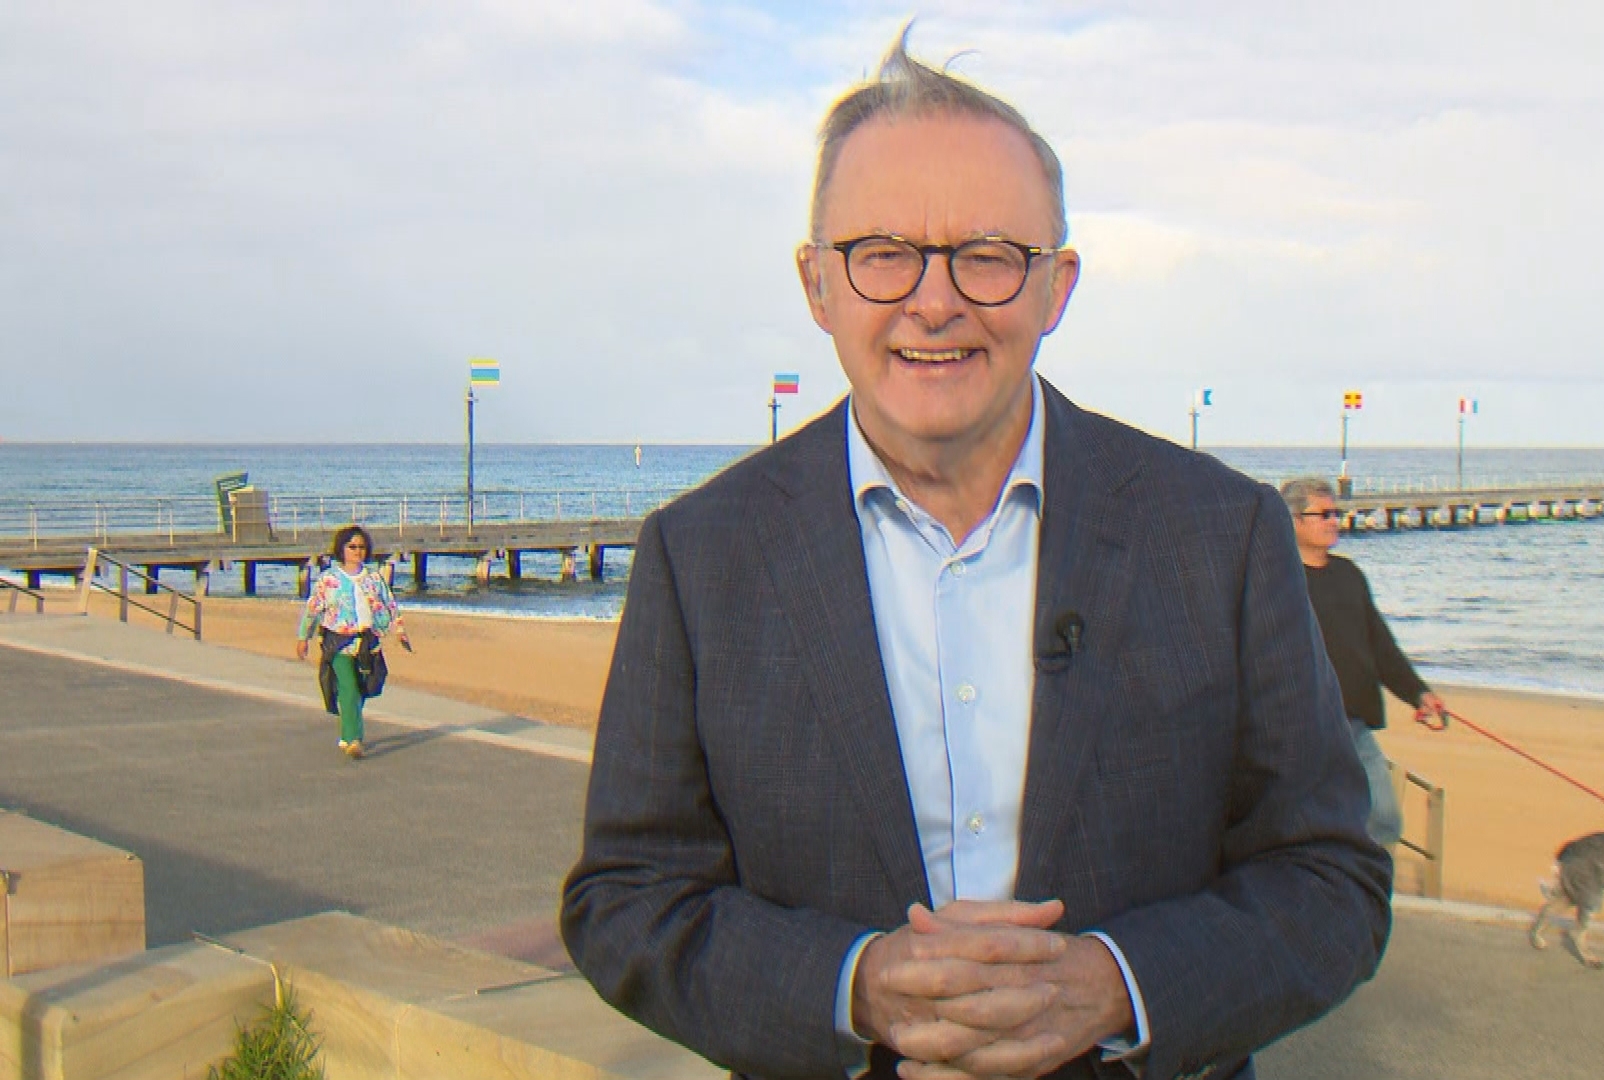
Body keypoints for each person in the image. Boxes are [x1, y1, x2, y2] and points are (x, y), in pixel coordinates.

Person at [562, 37, 1389, 1080]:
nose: (934, 300)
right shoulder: (701, 557)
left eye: (988, 255)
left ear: (1057, 287)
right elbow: (627, 898)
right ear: (817, 283)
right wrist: (855, 985)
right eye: (882, 252)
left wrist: (1114, 986)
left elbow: (1331, 881)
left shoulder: (1221, 536)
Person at [1277, 478, 1446, 850]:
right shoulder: (1277, 580)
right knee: (1308, 825)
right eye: (1323, 514)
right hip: (1302, 726)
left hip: (1354, 724)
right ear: (1294, 521)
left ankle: (1359, 884)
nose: (1333, 521)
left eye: (1335, 513)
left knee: (1384, 817)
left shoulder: (1349, 575)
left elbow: (1381, 646)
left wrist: (1419, 694)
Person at [295, 524, 409, 759]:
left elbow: (390, 604)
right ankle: (354, 739)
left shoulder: (374, 578)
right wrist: (303, 637)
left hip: (367, 643)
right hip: (338, 642)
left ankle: (348, 733)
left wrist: (399, 630)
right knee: (348, 687)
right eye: (352, 546)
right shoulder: (329, 579)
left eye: (361, 547)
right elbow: (312, 609)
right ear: (342, 549)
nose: (357, 551)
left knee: (363, 689)